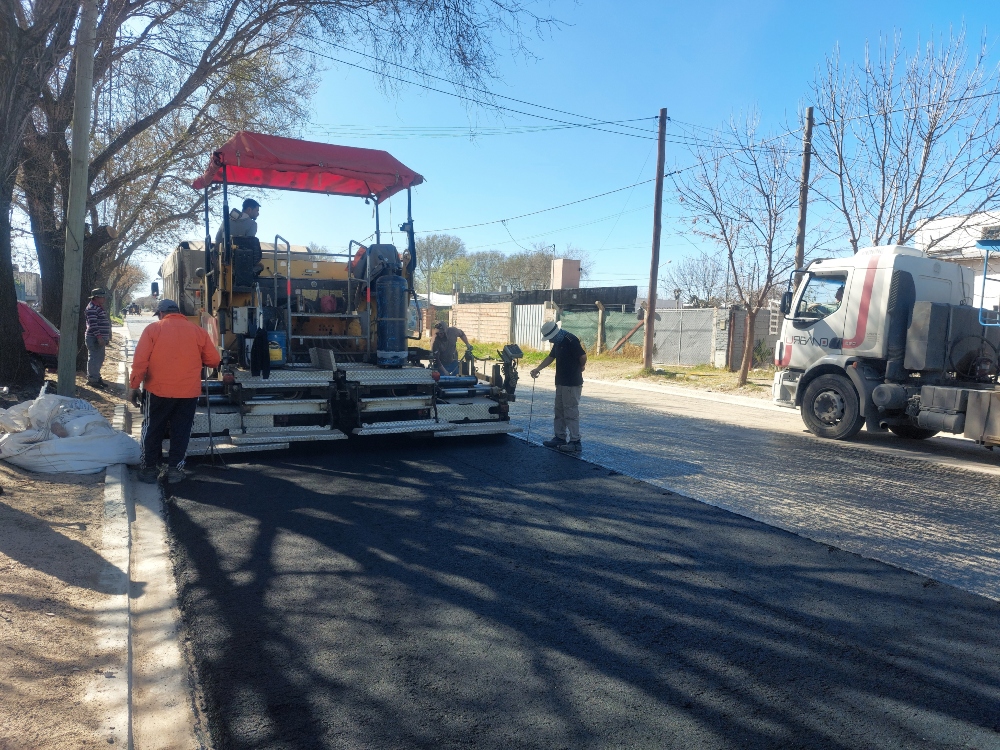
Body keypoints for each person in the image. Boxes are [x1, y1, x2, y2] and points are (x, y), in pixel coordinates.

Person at [129, 298, 221, 484]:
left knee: (152, 428)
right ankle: (174, 470)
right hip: (188, 392)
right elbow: (213, 361)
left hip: (157, 391)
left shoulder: (153, 329)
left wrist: (134, 386)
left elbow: (140, 362)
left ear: (162, 314)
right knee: (181, 430)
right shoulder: (198, 331)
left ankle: (148, 469)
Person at [530, 321, 587, 453]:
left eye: (550, 338)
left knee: (571, 411)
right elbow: (551, 357)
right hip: (561, 381)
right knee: (559, 411)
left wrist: (581, 367)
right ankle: (559, 437)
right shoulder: (558, 341)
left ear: (555, 334)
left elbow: (582, 356)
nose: (549, 341)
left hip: (572, 383)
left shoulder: (570, 340)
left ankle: (575, 441)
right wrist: (538, 368)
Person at [84, 287, 112, 387]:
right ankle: (92, 379)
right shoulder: (92, 308)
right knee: (94, 358)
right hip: (94, 338)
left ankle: (96, 377)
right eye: (102, 297)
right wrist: (99, 337)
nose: (104, 299)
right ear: (96, 297)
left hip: (99, 338)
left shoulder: (98, 306)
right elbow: (93, 324)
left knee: (99, 358)